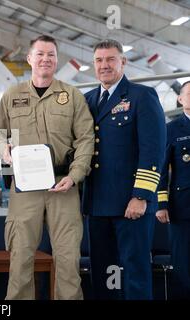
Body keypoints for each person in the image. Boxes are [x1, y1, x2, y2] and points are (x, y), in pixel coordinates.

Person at [0, 35, 95, 300]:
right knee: (20, 258)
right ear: (29, 58)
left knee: (68, 259)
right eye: (40, 54)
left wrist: (75, 176)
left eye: (51, 55)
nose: (45, 59)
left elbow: (86, 139)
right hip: (25, 189)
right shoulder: (12, 95)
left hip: (63, 186)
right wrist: (3, 148)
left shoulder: (71, 96)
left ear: (56, 60)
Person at [82, 39, 166, 300]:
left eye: (110, 59)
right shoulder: (87, 100)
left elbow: (154, 149)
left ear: (123, 62)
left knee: (134, 274)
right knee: (104, 274)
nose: (104, 65)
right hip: (97, 205)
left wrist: (141, 195)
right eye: (99, 60)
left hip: (131, 205)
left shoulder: (142, 96)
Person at [156, 80, 190, 299]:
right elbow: (160, 169)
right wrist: (161, 204)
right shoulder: (171, 129)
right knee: (183, 262)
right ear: (180, 99)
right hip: (182, 207)